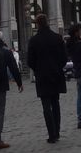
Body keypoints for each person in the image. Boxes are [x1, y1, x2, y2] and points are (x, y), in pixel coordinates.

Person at [27, 14, 68, 144]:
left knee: (46, 105)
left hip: (42, 76)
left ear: (37, 24)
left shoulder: (34, 40)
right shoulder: (57, 38)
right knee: (56, 103)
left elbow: (30, 61)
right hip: (56, 74)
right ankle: (57, 131)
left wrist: (38, 69)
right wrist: (57, 67)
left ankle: (52, 134)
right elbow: (64, 58)